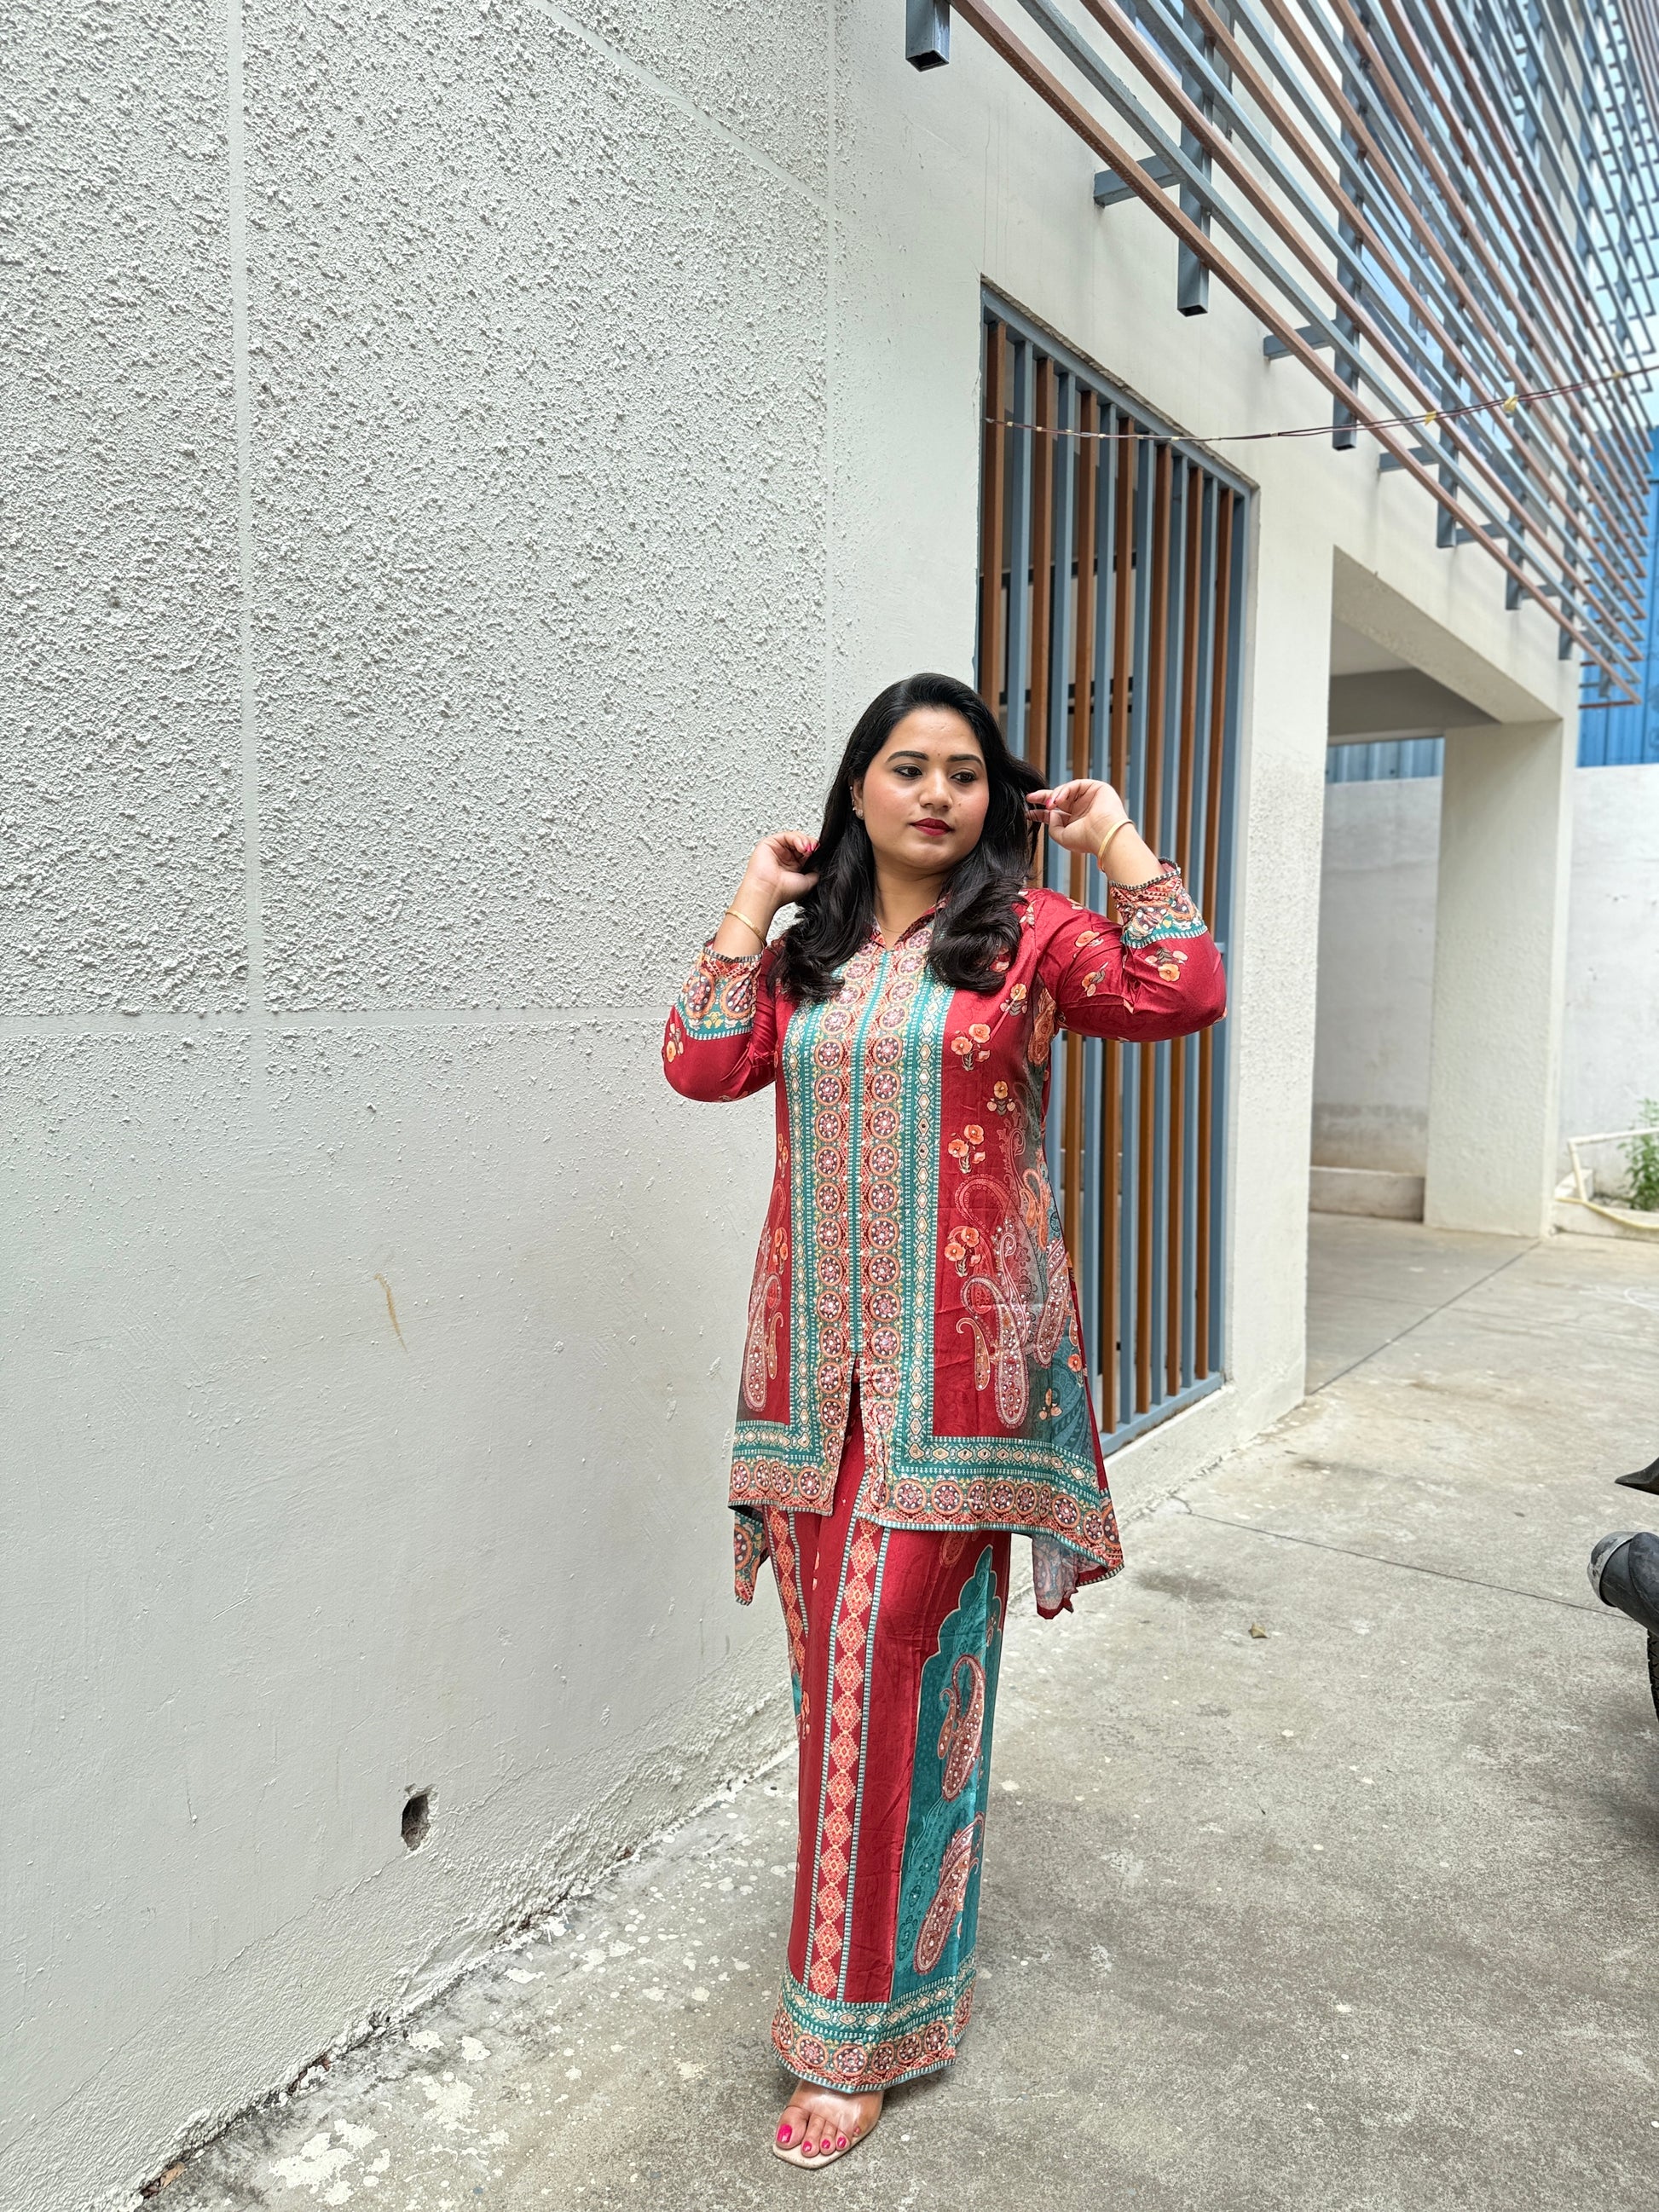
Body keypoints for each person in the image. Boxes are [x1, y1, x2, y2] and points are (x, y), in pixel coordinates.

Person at [661, 671, 1226, 2168]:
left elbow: (1181, 991)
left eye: (963, 773)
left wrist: (1114, 841)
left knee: (883, 1674)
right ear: (858, 788)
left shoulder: (1027, 936)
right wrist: (752, 900)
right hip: (808, 1396)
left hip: (965, 1392)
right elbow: (701, 1065)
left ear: (992, 798)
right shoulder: (808, 956)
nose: (935, 793)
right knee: (847, 1697)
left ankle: (846, 2035)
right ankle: (909, 1965)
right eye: (905, 767)